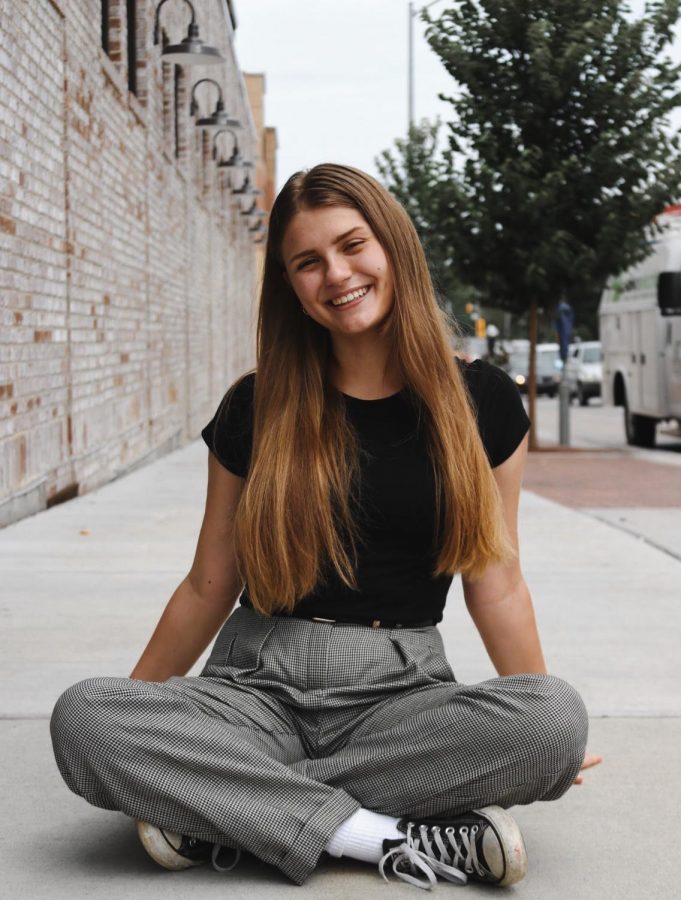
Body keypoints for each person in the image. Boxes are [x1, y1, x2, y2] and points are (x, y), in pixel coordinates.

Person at [50, 163, 600, 890]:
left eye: (351, 245)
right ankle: (382, 837)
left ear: (393, 247)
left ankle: (224, 804)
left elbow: (496, 582)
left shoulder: (482, 403)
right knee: (85, 718)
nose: (335, 274)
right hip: (251, 689)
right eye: (307, 262)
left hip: (398, 699)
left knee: (554, 718)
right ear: (288, 285)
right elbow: (209, 583)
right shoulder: (256, 406)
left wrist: (538, 726)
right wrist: (142, 707)